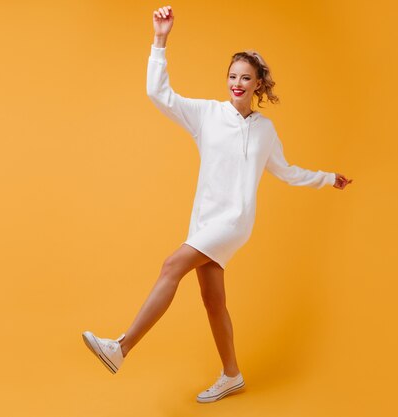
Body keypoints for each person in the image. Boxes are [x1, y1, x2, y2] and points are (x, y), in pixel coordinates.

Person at [82, 5, 352, 403]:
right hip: (204, 220)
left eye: (246, 78)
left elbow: (286, 171)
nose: (237, 83)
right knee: (213, 302)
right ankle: (232, 374)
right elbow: (158, 93)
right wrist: (160, 39)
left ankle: (120, 348)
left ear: (259, 84)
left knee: (172, 264)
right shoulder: (207, 115)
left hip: (235, 220)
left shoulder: (265, 130)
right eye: (232, 76)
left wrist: (327, 179)